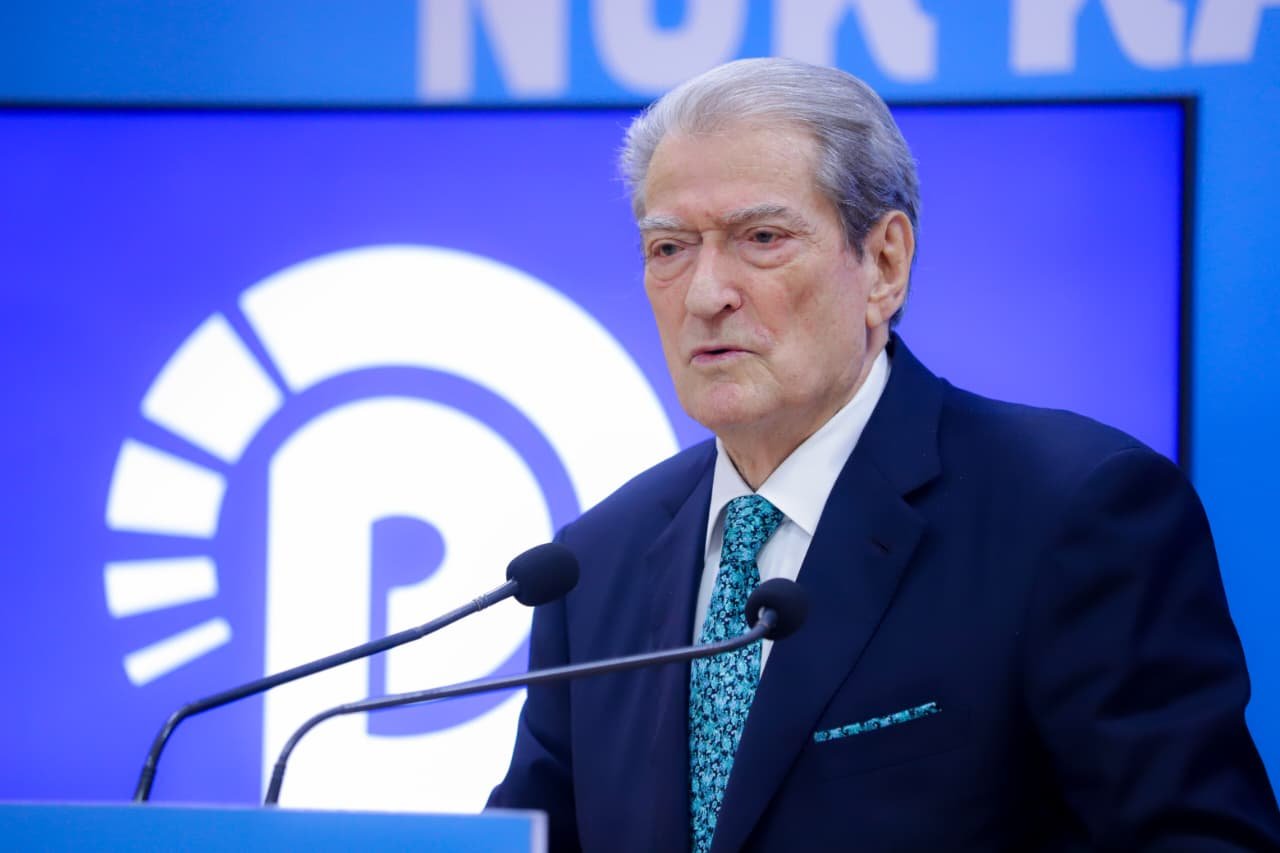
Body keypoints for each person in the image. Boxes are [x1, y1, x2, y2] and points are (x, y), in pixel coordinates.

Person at [487, 58, 1280, 851]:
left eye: (761, 238)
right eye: (669, 248)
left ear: (885, 265)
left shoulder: (1072, 513)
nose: (704, 293)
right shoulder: (594, 565)